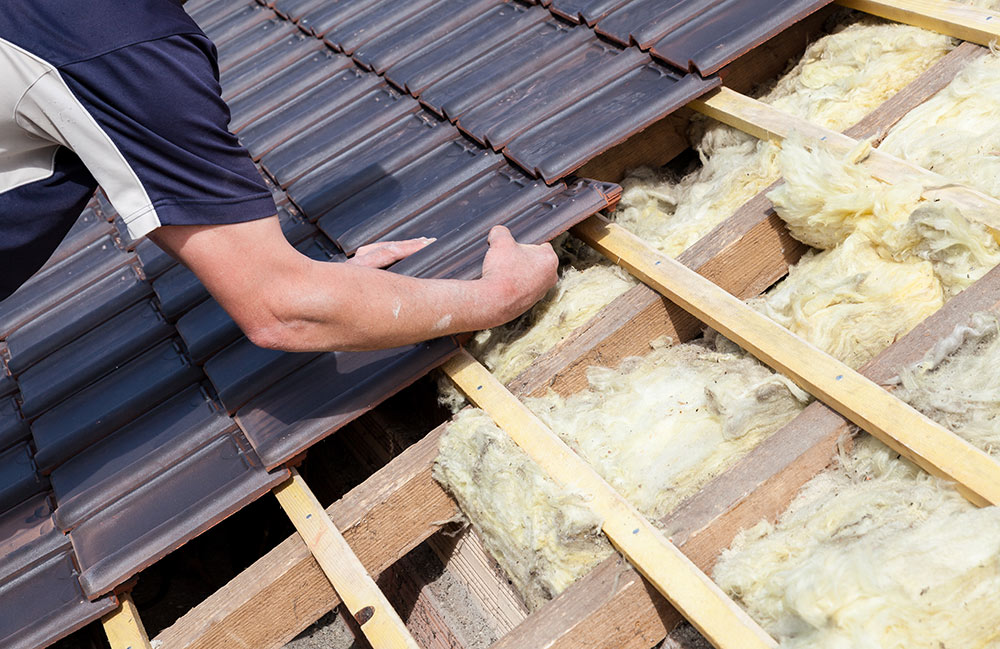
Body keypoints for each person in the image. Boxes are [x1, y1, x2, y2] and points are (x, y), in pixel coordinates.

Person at [0, 0, 558, 351]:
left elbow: (176, 205)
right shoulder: (117, 44)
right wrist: (496, 299)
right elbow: (284, 313)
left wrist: (334, 289)